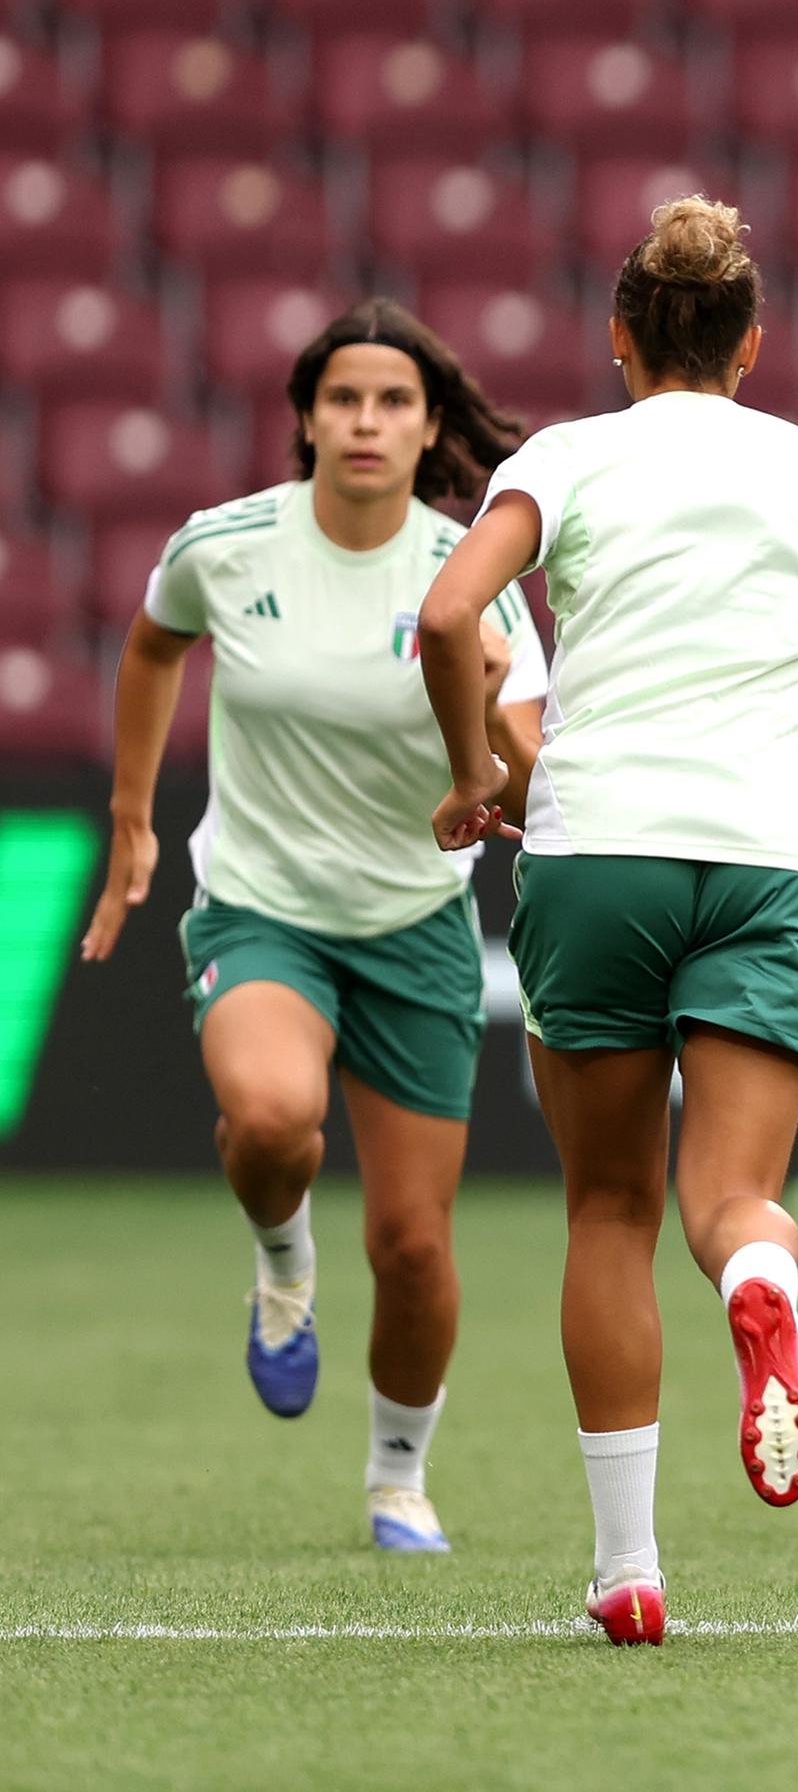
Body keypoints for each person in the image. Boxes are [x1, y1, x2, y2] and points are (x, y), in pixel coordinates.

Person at [418, 198, 798, 1646]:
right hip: (775, 854)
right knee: (728, 1196)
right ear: (753, 343)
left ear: (618, 335)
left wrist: (477, 773)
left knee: (609, 1206)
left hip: (602, 848)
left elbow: (451, 613)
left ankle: (629, 1566)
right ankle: (764, 1273)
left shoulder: (567, 456)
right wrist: (796, 761)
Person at [75, 301, 549, 1556]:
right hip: (265, 910)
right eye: (344, 398)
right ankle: (282, 1264)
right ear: (305, 418)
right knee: (276, 1120)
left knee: (412, 1245)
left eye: (394, 402)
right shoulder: (224, 548)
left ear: (430, 425)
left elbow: (526, 778)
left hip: (416, 928)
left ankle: (399, 1478)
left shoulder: (474, 580)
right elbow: (152, 643)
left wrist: (494, 720)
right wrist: (132, 816)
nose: (366, 422)